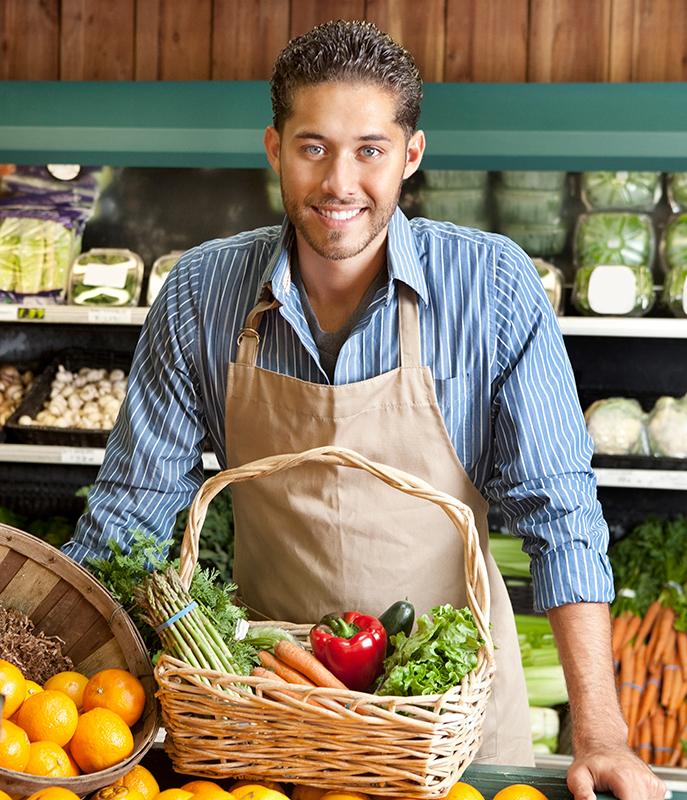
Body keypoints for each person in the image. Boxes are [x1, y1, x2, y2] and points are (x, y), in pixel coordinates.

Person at [62, 19, 664, 800]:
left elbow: (561, 516)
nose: (339, 182)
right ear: (275, 149)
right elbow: (130, 519)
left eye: (369, 150)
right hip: (272, 711)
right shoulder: (201, 296)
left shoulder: (492, 290)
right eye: (313, 147)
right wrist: (41, 671)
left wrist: (601, 734)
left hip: (444, 721)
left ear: (410, 155)